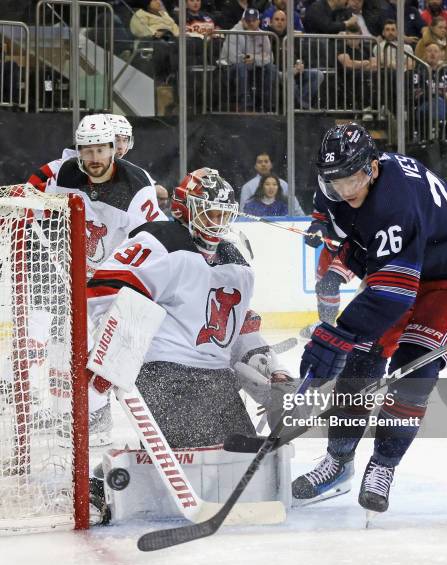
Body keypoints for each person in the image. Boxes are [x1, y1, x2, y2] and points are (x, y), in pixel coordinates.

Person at [291, 123, 447, 516]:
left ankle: (383, 465)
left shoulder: (394, 201)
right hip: (409, 260)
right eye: (336, 183)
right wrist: (323, 224)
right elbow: (338, 220)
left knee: (412, 372)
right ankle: (338, 461)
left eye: (353, 181)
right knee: (360, 363)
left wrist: (338, 334)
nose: (345, 192)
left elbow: (393, 294)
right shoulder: (334, 179)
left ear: (373, 167)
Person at [86, 168, 291, 450]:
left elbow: (236, 326)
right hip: (165, 373)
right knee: (196, 454)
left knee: (242, 457)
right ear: (184, 210)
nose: (217, 222)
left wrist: (270, 369)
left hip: (217, 378)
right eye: (209, 213)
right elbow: (101, 293)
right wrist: (119, 350)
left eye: (223, 214)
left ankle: (115, 477)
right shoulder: (160, 241)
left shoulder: (238, 265)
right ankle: (115, 481)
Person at [27, 114, 167, 446]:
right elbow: (34, 188)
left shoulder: (136, 186)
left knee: (111, 349)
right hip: (75, 275)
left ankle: (101, 414)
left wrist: (125, 282)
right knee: (66, 343)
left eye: (101, 151)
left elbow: (152, 239)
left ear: (112, 150)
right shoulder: (65, 172)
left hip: (116, 280)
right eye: (86, 151)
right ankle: (70, 409)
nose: (94, 159)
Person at [299, 191, 355, 339]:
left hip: (355, 249)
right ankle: (325, 324)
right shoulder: (322, 190)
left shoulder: (357, 186)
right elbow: (320, 216)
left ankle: (328, 328)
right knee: (322, 286)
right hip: (331, 248)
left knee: (329, 283)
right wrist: (317, 229)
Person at [218, 8, 279, 112]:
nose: (251, 23)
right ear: (243, 21)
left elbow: (270, 58)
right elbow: (234, 58)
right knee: (241, 66)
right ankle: (246, 105)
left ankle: (267, 106)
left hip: (252, 67)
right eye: (248, 20)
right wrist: (253, 57)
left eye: (254, 20)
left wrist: (254, 58)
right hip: (228, 69)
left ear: (258, 21)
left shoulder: (263, 35)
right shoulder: (233, 33)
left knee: (271, 68)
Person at [266, 10, 324, 110]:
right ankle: (297, 106)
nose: (280, 22)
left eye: (283, 20)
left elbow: (302, 56)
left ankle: (302, 103)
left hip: (296, 71)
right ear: (271, 22)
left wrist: (300, 64)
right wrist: (290, 71)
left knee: (318, 75)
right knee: (289, 77)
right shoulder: (267, 36)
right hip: (278, 72)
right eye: (277, 19)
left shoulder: (292, 36)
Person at [130, 0, 179, 83]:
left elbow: (174, 27)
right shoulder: (140, 14)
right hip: (151, 43)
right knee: (161, 45)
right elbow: (138, 29)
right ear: (148, 3)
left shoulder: (164, 14)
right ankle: (161, 79)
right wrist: (155, 33)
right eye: (155, 0)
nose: (159, 2)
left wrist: (174, 33)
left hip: (170, 38)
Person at [240, 151, 304, 213]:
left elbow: (296, 209)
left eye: (266, 161)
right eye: (260, 162)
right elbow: (243, 214)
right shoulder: (247, 187)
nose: (263, 164)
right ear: (255, 166)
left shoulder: (283, 184)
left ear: (271, 165)